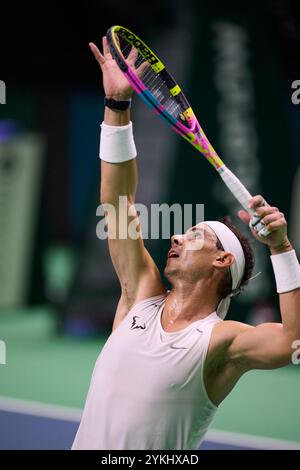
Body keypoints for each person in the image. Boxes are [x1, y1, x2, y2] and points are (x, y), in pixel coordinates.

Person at [72, 37, 300, 450]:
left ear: (222, 260)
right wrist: (117, 107)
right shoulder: (138, 295)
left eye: (196, 235)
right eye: (184, 231)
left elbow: (291, 343)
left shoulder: (221, 342)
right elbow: (117, 205)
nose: (177, 235)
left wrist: (282, 250)